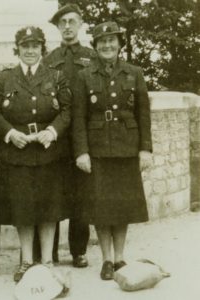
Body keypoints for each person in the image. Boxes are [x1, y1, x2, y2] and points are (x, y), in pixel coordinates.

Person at [0, 26, 71, 282]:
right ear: (18, 49)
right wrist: (10, 133)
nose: (31, 51)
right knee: (22, 209)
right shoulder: (4, 78)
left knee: (48, 207)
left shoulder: (56, 77)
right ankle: (26, 261)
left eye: (35, 46)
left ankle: (46, 260)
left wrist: (53, 131)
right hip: (18, 152)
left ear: (42, 49)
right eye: (25, 46)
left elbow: (67, 110)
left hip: (48, 152)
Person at [72, 21, 153, 280]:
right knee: (100, 208)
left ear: (119, 44)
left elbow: (143, 114)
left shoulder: (134, 73)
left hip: (126, 148)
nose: (107, 45)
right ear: (95, 46)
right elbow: (78, 118)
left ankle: (119, 258)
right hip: (97, 151)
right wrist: (81, 152)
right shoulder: (84, 75)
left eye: (111, 40)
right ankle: (106, 259)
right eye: (101, 41)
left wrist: (145, 149)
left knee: (123, 207)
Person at [33, 3, 95, 268]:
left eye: (72, 21)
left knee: (81, 195)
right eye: (62, 23)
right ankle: (49, 254)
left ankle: (79, 251)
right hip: (56, 136)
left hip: (82, 136)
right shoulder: (49, 59)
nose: (67, 27)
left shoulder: (92, 57)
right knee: (52, 194)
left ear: (80, 24)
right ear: (58, 28)